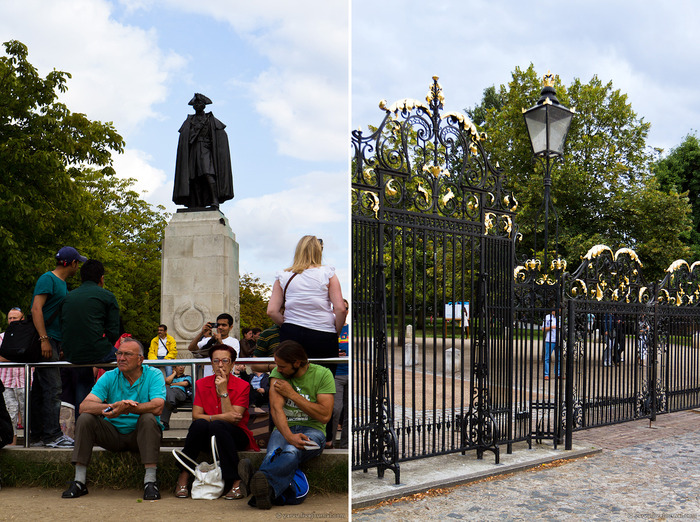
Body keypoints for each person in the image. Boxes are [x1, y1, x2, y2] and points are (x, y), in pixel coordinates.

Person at [62, 338, 166, 500]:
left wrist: (130, 408)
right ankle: (79, 481)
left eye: (127, 354)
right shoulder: (110, 376)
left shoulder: (154, 374)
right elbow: (84, 406)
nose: (121, 358)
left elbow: (158, 406)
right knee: (85, 418)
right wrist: (113, 407)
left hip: (139, 435)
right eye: (119, 353)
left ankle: (150, 481)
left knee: (148, 418)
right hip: (112, 434)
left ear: (140, 360)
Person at [238, 340, 335, 509]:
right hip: (284, 428)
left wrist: (292, 394)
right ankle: (265, 494)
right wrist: (289, 436)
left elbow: (325, 416)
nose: (277, 369)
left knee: (290, 451)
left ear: (297, 363)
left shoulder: (323, 374)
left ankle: (255, 479)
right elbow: (276, 409)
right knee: (272, 455)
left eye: (282, 366)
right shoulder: (278, 372)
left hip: (314, 431)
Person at [174, 344, 258, 500]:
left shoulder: (243, 386)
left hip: (236, 435)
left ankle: (235, 479)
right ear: (211, 363)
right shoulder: (202, 383)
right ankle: (184, 475)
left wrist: (224, 391)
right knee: (201, 425)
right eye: (216, 361)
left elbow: (234, 419)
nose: (220, 365)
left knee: (218, 425)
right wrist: (216, 417)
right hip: (209, 435)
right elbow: (196, 416)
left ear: (233, 363)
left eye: (225, 360)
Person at [30, 246, 86, 448]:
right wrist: (44, 338)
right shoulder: (48, 279)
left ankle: (36, 435)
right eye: (77, 262)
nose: (78, 266)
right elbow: (36, 308)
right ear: (71, 263)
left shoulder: (61, 284)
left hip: (54, 340)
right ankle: (53, 436)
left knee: (40, 388)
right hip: (46, 340)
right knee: (53, 388)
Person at [267, 236, 347, 373]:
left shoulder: (283, 275)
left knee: (292, 377)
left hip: (292, 333)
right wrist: (335, 331)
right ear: (318, 251)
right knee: (323, 379)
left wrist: (288, 325)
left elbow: (272, 311)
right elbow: (340, 309)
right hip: (323, 333)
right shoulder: (328, 273)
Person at [61, 259, 121, 409]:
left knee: (83, 381)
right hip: (97, 350)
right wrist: (103, 345)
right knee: (127, 366)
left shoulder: (68, 297)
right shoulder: (107, 296)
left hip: (72, 353)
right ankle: (123, 409)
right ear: (101, 278)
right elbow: (114, 331)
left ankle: (82, 423)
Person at [172, 93, 234, 209]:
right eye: (195, 104)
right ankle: (197, 203)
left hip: (206, 150)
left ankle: (214, 200)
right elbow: (184, 137)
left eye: (199, 103)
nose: (197, 105)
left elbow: (219, 135)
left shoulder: (210, 120)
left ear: (204, 105)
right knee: (193, 177)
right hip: (193, 151)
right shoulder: (189, 120)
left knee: (208, 174)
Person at [0, 307, 31, 445]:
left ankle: (28, 444)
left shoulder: (28, 336)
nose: (12, 321)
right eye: (10, 318)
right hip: (6, 381)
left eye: (15, 318)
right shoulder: (1, 337)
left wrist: (9, 355)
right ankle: (10, 444)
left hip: (25, 380)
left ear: (22, 319)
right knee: (9, 414)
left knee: (27, 414)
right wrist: (18, 355)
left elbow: (30, 355)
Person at [328, 300, 349, 449]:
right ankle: (330, 440)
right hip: (336, 374)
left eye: (345, 308)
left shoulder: (350, 330)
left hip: (350, 373)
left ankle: (345, 444)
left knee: (348, 412)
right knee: (336, 409)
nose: (342, 311)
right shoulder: (329, 329)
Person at [161, 365, 193, 430]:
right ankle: (165, 423)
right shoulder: (172, 378)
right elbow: (166, 381)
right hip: (172, 397)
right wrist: (174, 373)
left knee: (168, 393)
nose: (181, 367)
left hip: (181, 394)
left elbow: (185, 383)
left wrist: (172, 384)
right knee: (167, 391)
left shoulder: (187, 377)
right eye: (178, 366)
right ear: (174, 368)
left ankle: (171, 403)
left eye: (183, 366)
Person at [542, 308, 558, 380]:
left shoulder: (561, 318)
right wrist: (551, 327)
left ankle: (558, 374)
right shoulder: (548, 317)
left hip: (558, 340)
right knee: (547, 358)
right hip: (549, 340)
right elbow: (543, 329)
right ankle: (546, 374)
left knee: (559, 358)